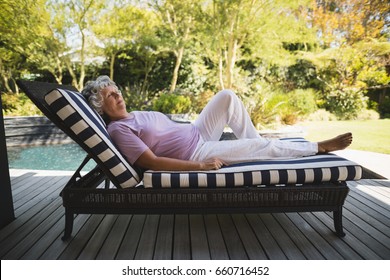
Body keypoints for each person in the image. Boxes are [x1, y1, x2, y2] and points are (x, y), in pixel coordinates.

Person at [82, 75, 353, 171]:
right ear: (99, 106)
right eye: (109, 95)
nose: (118, 95)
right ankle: (318, 148)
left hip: (198, 133)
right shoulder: (119, 129)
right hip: (197, 152)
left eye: (116, 90)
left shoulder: (134, 114)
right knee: (265, 147)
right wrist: (200, 165)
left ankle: (256, 144)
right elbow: (150, 162)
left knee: (226, 96)